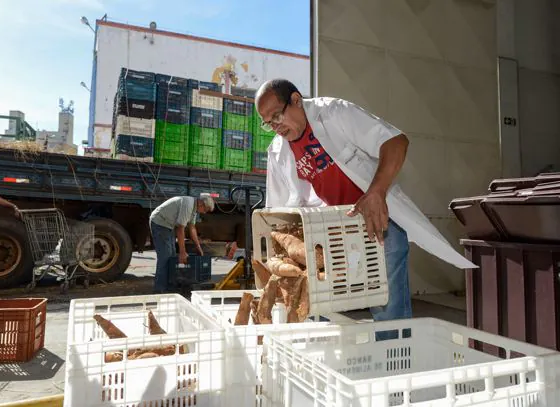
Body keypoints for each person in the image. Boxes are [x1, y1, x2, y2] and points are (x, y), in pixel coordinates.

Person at [255, 79, 476, 331]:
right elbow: (279, 210)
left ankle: (394, 354)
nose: (275, 126)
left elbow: (395, 142)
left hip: (375, 219)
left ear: (296, 100)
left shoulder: (334, 113)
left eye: (277, 116)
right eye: (268, 122)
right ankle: (323, 349)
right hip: (331, 226)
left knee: (387, 287)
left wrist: (376, 192)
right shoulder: (277, 152)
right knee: (310, 298)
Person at [149, 195, 215, 293]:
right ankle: (159, 291)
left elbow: (192, 228)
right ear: (201, 204)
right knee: (165, 258)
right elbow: (180, 228)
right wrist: (182, 252)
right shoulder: (188, 205)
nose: (204, 212)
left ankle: (169, 287)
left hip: (168, 225)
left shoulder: (194, 208)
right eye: (205, 209)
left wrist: (198, 247)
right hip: (159, 223)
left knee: (171, 257)